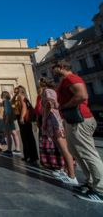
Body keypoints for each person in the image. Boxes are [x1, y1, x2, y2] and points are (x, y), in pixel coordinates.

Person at [53, 60, 103, 202]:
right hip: (73, 121)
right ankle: (90, 183)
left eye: (54, 68)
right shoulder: (65, 80)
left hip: (80, 119)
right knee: (76, 151)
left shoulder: (71, 78)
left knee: (87, 153)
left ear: (61, 67)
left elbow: (82, 95)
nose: (53, 71)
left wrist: (64, 107)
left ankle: (100, 189)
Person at [39, 77, 78, 186]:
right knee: (63, 148)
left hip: (53, 120)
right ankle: (67, 171)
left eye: (40, 82)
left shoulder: (47, 91)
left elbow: (49, 105)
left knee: (63, 148)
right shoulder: (53, 91)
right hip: (56, 119)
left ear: (44, 83)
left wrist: (44, 120)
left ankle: (72, 176)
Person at [36, 85, 66, 174]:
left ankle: (63, 167)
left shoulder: (48, 93)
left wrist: (44, 120)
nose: (38, 88)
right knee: (50, 144)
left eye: (40, 86)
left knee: (58, 145)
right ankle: (52, 164)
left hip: (51, 121)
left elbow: (49, 106)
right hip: (46, 121)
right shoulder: (40, 97)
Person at [12, 85, 39, 165]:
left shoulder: (21, 96)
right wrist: (14, 95)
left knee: (28, 137)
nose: (14, 90)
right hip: (21, 117)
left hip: (23, 118)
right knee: (24, 137)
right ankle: (27, 155)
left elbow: (24, 107)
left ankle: (32, 156)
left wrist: (22, 118)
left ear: (19, 90)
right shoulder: (19, 96)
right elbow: (12, 102)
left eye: (16, 89)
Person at [1, 91, 21, 156]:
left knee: (9, 135)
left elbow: (7, 112)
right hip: (13, 119)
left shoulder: (5, 102)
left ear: (3, 96)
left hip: (9, 120)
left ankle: (9, 150)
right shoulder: (9, 101)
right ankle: (17, 149)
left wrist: (6, 121)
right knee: (14, 134)